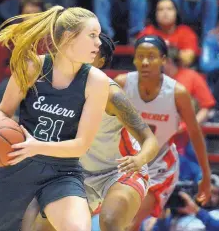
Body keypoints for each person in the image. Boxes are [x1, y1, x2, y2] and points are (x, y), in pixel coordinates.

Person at [0, 6, 110, 231]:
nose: (99, 43)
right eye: (92, 35)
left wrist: (37, 146)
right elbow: (3, 111)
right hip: (18, 163)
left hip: (62, 170)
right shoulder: (32, 67)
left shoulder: (97, 82)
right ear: (68, 37)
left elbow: (80, 145)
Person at [26, 33, 159, 231]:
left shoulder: (111, 94)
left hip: (121, 170)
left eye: (90, 51)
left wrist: (139, 160)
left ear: (101, 61)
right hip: (77, 173)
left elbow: (150, 141)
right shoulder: (55, 89)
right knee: (41, 227)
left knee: (110, 221)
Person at [114, 35, 211, 231]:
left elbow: (195, 134)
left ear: (164, 60)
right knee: (113, 220)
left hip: (159, 166)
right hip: (123, 159)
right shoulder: (122, 84)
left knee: (129, 223)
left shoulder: (178, 92)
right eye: (140, 56)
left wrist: (207, 178)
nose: (145, 61)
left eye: (152, 56)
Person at [138, 0, 199, 67]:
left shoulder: (186, 32)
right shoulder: (148, 32)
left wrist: (171, 52)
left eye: (169, 9)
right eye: (160, 9)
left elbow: (187, 60)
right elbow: (141, 57)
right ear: (155, 14)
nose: (165, 12)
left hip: (179, 74)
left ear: (176, 12)